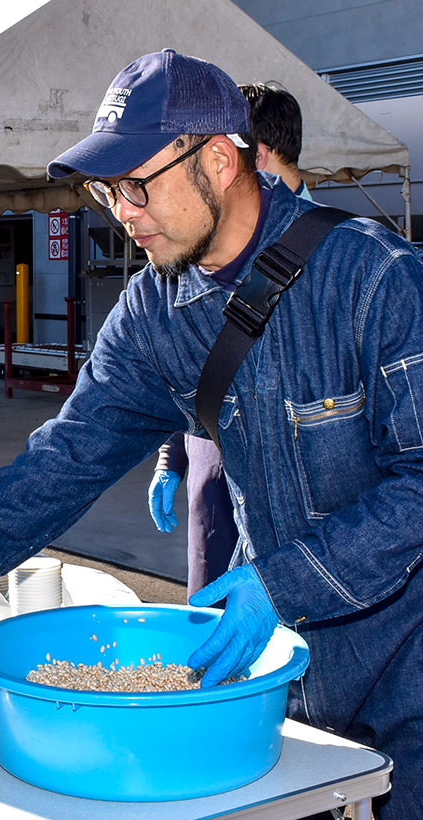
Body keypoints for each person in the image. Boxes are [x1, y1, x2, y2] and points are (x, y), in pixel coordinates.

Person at [0, 50, 423, 820]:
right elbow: (69, 454)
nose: (122, 211)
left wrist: (280, 584)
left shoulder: (375, 278)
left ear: (217, 158)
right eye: (107, 190)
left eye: (138, 183)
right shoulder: (153, 310)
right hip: (289, 659)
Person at [149, 81, 311, 595]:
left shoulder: (345, 264)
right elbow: (189, 364)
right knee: (212, 614)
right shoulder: (196, 254)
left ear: (250, 156)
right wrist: (171, 458)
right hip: (213, 479)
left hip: (300, 501)